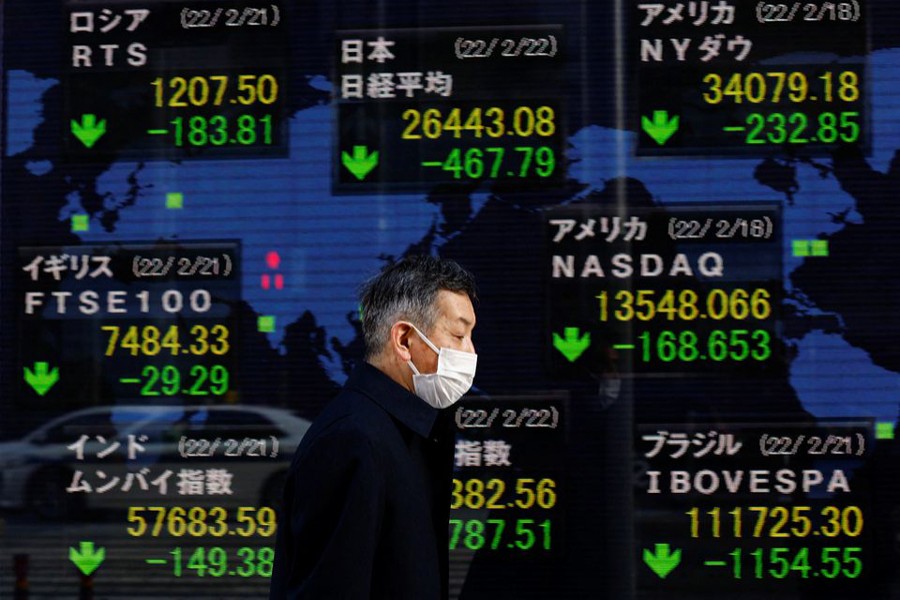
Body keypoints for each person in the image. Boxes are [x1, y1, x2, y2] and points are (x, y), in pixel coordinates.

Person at [269, 255, 478, 599]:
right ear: (404, 340)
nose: (470, 352)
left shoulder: (405, 431)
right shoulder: (351, 440)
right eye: (458, 334)